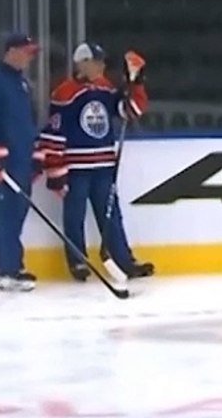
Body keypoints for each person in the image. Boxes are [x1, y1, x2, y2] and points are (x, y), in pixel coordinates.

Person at [37, 43, 154, 281]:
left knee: (111, 215)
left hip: (103, 167)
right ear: (82, 63)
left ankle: (124, 260)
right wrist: (56, 172)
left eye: (102, 62)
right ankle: (77, 261)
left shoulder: (105, 88)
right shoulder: (64, 93)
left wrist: (136, 83)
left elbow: (129, 110)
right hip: (77, 168)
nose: (101, 66)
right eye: (96, 61)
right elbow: (53, 134)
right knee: (74, 215)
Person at [0, 32, 42, 292]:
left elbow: (28, 122)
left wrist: (35, 155)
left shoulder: (22, 83)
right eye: (26, 52)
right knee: (7, 214)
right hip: (4, 161)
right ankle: (10, 268)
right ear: (11, 51)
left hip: (22, 159)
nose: (29, 58)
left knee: (16, 213)